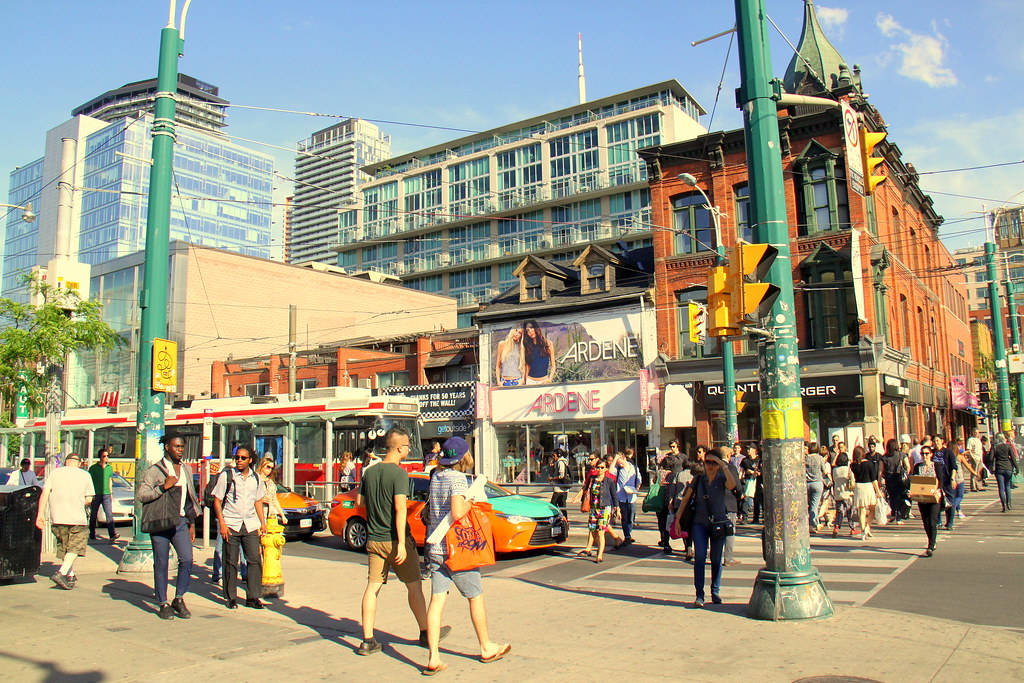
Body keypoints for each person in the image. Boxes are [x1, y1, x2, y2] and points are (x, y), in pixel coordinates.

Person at [422, 437, 510, 675]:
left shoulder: (436, 476)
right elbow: (458, 511)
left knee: (437, 600)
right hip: (457, 548)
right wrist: (471, 500)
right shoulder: (458, 479)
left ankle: (433, 656)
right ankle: (487, 646)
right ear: (463, 457)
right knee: (475, 597)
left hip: (435, 547)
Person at [356, 426, 432, 656]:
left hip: (374, 539)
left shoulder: (369, 472)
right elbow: (400, 509)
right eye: (408, 445)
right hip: (395, 539)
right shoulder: (399, 473)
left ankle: (367, 640)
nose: (409, 449)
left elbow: (360, 502)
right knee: (414, 585)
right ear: (400, 447)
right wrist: (401, 543)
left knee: (372, 587)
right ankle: (426, 633)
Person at [139, 435, 201, 619]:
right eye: (176, 446)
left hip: (180, 521)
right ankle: (162, 602)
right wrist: (163, 487)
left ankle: (179, 598)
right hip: (160, 522)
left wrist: (191, 524)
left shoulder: (186, 469)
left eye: (182, 446)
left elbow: (190, 498)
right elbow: (142, 495)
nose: (180, 450)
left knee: (187, 560)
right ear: (167, 447)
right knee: (162, 563)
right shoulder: (154, 470)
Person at [673, 448, 738, 607]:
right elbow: (685, 499)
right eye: (707, 462)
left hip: (718, 523)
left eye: (713, 462)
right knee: (700, 558)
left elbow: (732, 485)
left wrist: (723, 465)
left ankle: (715, 591)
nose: (710, 465)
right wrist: (678, 519)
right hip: (699, 524)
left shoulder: (722, 477)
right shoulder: (698, 479)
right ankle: (699, 595)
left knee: (716, 559)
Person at [212, 445, 267, 610]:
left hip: (249, 524)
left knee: (254, 560)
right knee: (230, 561)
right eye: (237, 457)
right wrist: (222, 523)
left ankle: (253, 597)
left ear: (250, 460)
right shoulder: (227, 476)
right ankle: (231, 598)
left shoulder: (255, 478)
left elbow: (258, 501)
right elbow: (217, 500)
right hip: (231, 524)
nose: (239, 461)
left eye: (243, 458)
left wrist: (262, 523)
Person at [35, 453, 94, 590]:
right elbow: (89, 499)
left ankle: (70, 574)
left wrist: (40, 514)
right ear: (79, 463)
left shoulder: (55, 473)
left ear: (66, 462)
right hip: (77, 518)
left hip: (58, 517)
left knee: (65, 546)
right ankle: (61, 573)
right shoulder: (85, 475)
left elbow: (44, 493)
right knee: (75, 547)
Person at [574, 457, 619, 562]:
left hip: (604, 508)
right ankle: (594, 549)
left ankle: (599, 555)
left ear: (606, 469)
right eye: (598, 467)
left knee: (600, 532)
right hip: (593, 508)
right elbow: (585, 488)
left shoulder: (609, 481)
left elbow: (614, 496)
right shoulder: (592, 479)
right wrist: (576, 497)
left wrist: (617, 509)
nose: (600, 469)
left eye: (602, 467)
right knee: (593, 530)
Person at [912, 444, 942, 557]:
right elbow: (914, 482)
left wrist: (938, 490)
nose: (925, 456)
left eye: (927, 453)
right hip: (922, 498)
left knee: (932, 521)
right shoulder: (917, 466)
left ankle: (931, 545)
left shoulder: (936, 465)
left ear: (931, 455)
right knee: (925, 522)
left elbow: (940, 480)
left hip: (934, 498)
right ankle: (931, 539)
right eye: (922, 454)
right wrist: (912, 491)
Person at [88, 448, 119, 542]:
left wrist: (111, 493)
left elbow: (109, 480)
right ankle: (92, 534)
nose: (106, 458)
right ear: (100, 457)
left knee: (109, 514)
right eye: (104, 456)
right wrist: (90, 494)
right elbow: (89, 481)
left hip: (106, 494)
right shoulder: (93, 468)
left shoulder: (109, 467)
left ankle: (112, 534)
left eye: (107, 456)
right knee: (94, 514)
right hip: (96, 493)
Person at [850, 446, 881, 540]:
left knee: (861, 510)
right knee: (872, 508)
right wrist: (878, 491)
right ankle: (868, 527)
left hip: (859, 487)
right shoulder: (869, 464)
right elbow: (873, 479)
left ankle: (863, 530)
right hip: (868, 486)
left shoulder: (853, 465)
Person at [614, 448, 641, 546]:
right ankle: (627, 536)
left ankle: (629, 532)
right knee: (624, 518)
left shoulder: (634, 467)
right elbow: (610, 472)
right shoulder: (617, 469)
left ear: (624, 458)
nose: (618, 463)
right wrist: (614, 461)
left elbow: (638, 479)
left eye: (619, 461)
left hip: (632, 496)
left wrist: (637, 487)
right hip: (621, 497)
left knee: (630, 517)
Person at [880, 438, 911, 524]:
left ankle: (894, 513)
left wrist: (880, 480)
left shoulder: (884, 457)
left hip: (889, 479)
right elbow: (908, 466)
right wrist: (906, 474)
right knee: (900, 497)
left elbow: (880, 470)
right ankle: (899, 516)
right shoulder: (901, 455)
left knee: (891, 497)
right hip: (899, 478)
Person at [932, 436, 959, 530]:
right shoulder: (932, 453)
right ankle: (938, 521)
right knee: (936, 501)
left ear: (942, 441)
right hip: (936, 481)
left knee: (950, 501)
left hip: (947, 480)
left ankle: (950, 522)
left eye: (937, 441)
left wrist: (952, 478)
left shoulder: (948, 452)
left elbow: (954, 467)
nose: (936, 443)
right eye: (934, 441)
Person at [990, 434, 1018, 512]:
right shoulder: (1008, 446)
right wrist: (1017, 468)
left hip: (999, 468)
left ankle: (1004, 505)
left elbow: (990, 458)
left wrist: (991, 468)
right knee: (1008, 486)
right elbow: (1013, 458)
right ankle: (1009, 504)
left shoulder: (995, 447)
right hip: (1008, 468)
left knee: (1001, 487)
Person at [522, 320, 556, 384]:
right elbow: (527, 367)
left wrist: (550, 379)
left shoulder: (547, 344)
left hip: (544, 381)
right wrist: (525, 381)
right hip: (530, 381)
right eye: (527, 331)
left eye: (531, 328)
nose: (530, 332)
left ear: (536, 328)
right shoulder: (528, 347)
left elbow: (553, 365)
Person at [257, 456, 288, 526]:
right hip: (258, 514)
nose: (270, 470)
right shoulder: (255, 479)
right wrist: (261, 500)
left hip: (271, 515)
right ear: (262, 466)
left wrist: (282, 515)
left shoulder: (271, 482)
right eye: (268, 467)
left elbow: (275, 499)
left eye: (272, 468)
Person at [830, 452, 855, 537]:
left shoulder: (834, 470)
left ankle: (836, 527)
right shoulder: (847, 469)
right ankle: (852, 528)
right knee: (849, 512)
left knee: (839, 512)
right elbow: (852, 480)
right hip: (847, 493)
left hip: (838, 494)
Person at [805, 444, 827, 531]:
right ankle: (812, 524)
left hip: (807, 482)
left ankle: (815, 523)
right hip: (817, 482)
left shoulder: (805, 458)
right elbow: (824, 470)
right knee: (815, 504)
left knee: (810, 504)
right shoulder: (820, 458)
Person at [549, 449, 570, 519]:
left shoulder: (560, 462)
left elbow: (561, 475)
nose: (553, 457)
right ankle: (564, 520)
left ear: (559, 455)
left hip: (559, 488)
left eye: (554, 455)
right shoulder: (559, 462)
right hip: (563, 488)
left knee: (552, 505)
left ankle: (551, 520)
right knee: (562, 506)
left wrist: (552, 479)